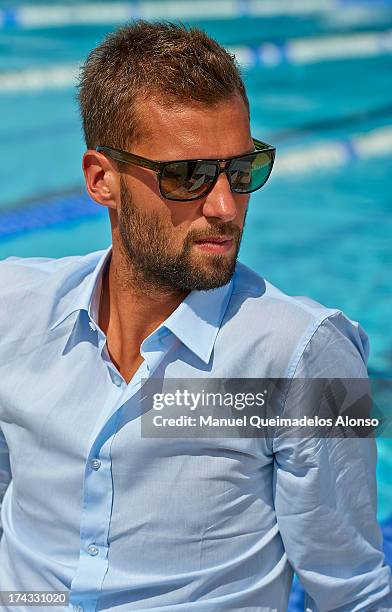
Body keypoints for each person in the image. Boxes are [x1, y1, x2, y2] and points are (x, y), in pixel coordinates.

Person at [0, 20, 391, 612]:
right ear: (101, 179)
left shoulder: (310, 353)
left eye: (242, 170)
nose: (225, 207)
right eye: (188, 176)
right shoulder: (14, 309)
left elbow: (354, 589)